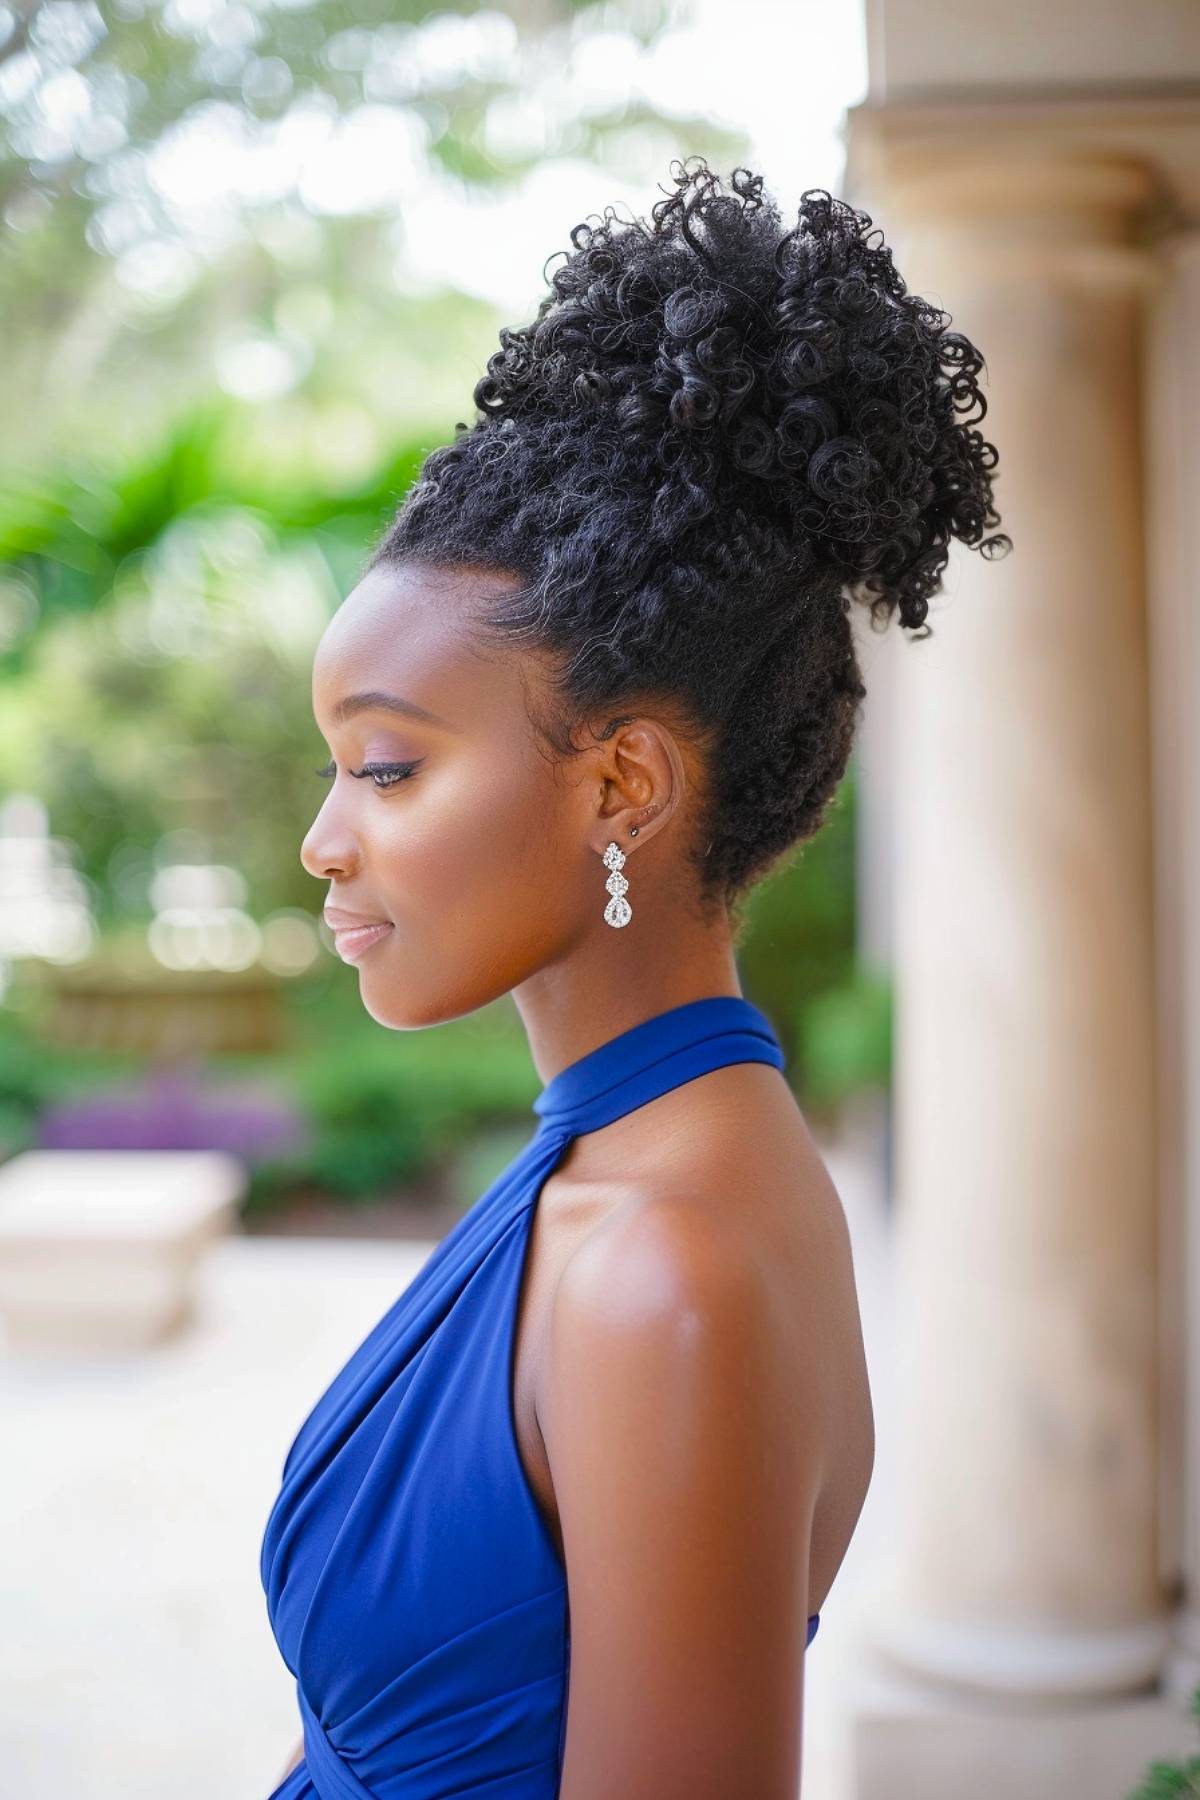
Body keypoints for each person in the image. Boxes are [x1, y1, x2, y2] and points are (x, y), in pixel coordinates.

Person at [261, 156, 1010, 1799]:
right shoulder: (648, 1161)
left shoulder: (660, 1269)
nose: (325, 841)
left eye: (386, 770)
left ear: (621, 787)